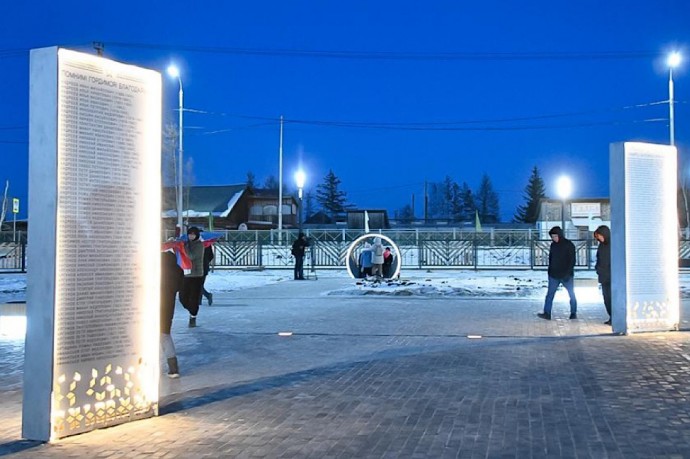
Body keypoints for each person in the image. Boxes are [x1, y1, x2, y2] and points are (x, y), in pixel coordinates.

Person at [538, 226, 578, 320]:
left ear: (560, 235)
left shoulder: (569, 244)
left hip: (566, 275)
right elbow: (551, 258)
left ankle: (573, 312)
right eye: (552, 237)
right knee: (550, 294)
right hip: (554, 275)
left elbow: (572, 260)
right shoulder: (553, 245)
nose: (554, 238)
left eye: (555, 236)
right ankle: (547, 313)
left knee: (571, 294)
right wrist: (550, 271)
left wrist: (568, 273)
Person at [161, 248, 183, 378]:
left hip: (152, 307)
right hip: (169, 308)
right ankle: (173, 368)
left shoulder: (156, 273)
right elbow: (180, 287)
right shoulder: (177, 272)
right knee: (165, 335)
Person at [179, 226, 205, 327]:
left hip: (196, 275)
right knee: (182, 297)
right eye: (189, 234)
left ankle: (193, 316)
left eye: (193, 234)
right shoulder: (187, 243)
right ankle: (192, 310)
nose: (191, 236)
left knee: (194, 297)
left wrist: (183, 247)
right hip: (186, 274)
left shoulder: (199, 245)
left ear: (196, 235)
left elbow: (191, 256)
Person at [594, 225, 612, 325]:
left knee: (611, 297)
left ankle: (614, 317)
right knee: (606, 298)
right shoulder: (602, 246)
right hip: (604, 276)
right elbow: (599, 258)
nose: (598, 238)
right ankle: (611, 316)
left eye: (599, 236)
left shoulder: (612, 245)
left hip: (610, 276)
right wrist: (598, 268)